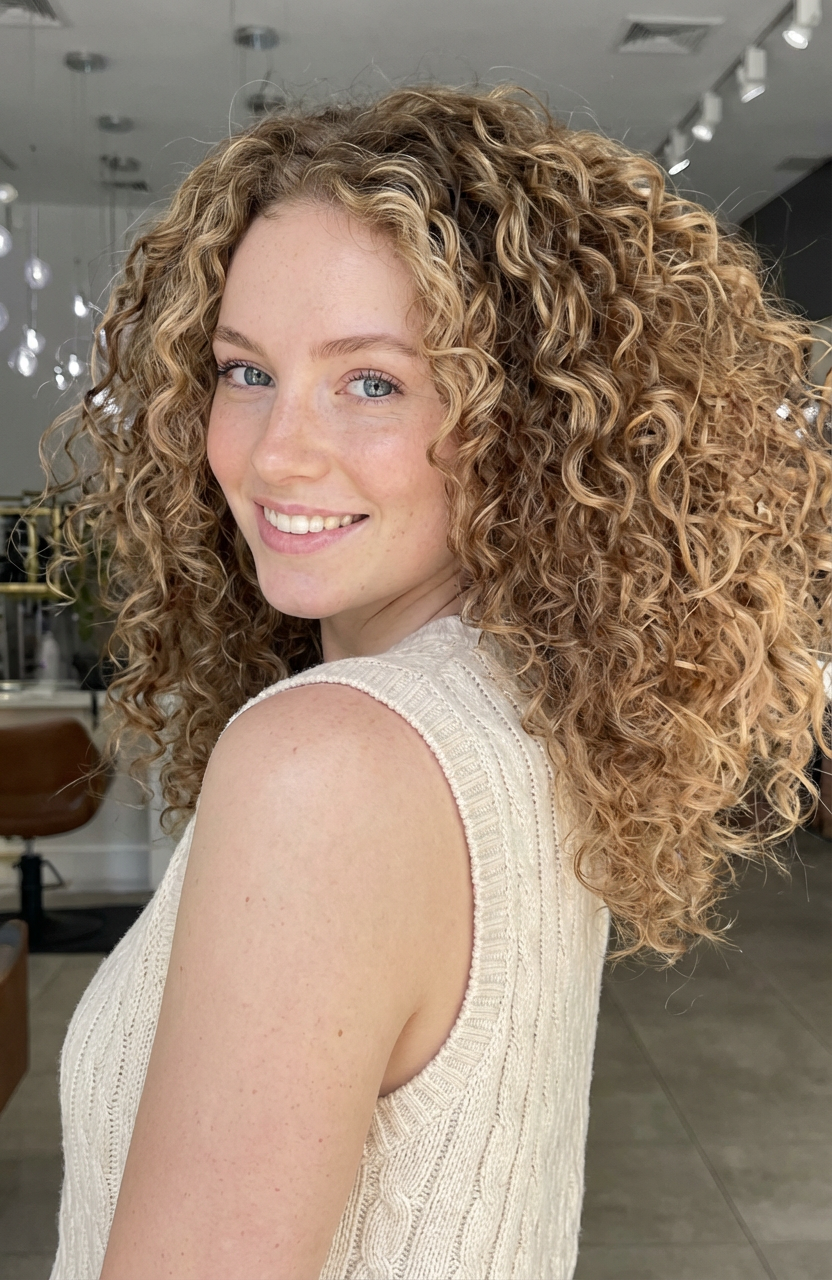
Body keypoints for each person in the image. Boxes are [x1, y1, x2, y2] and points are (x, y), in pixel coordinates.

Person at [40, 84, 831, 1280]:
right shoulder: (526, 703)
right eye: (243, 371)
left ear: (525, 416)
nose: (273, 452)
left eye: (372, 381)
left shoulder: (329, 764)